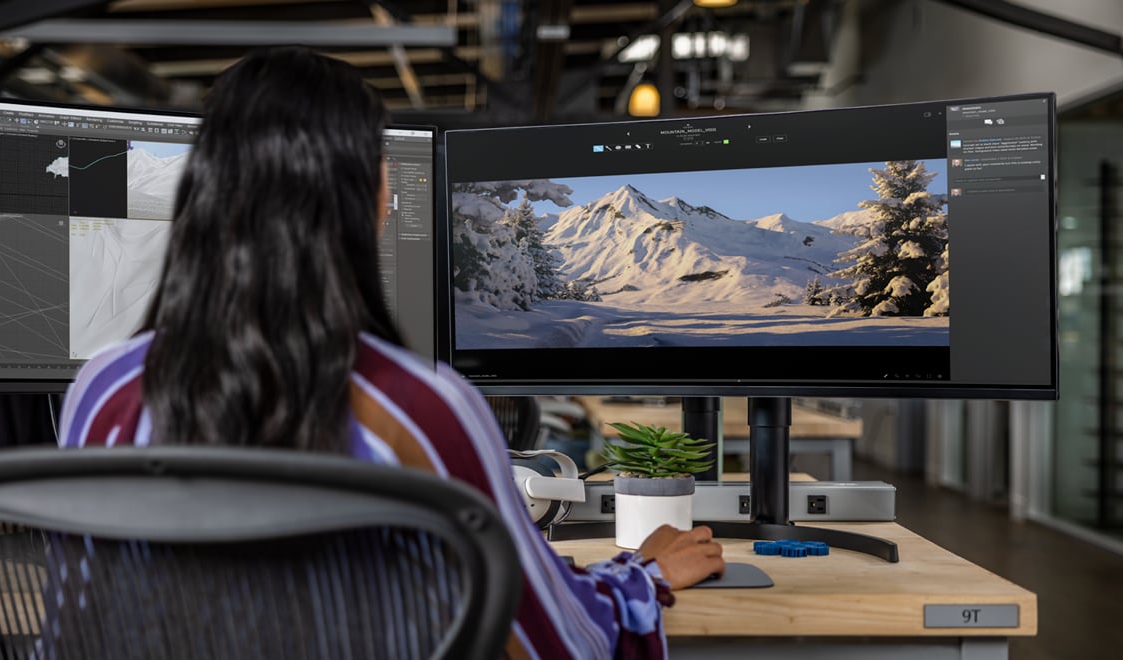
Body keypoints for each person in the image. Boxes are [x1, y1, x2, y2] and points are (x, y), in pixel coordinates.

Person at [57, 45, 725, 658]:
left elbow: (82, 619)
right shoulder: (420, 409)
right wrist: (643, 575)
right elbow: (545, 642)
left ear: (200, 193)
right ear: (369, 197)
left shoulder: (101, 391)